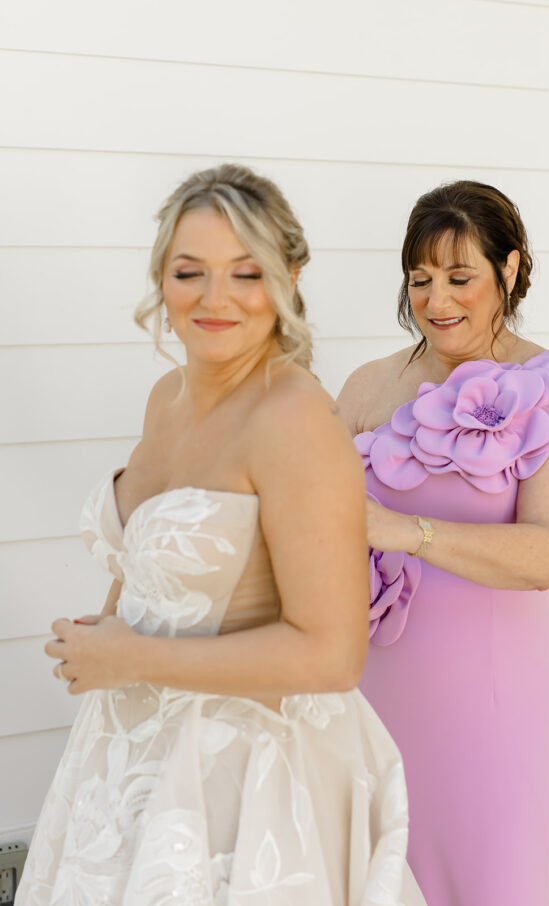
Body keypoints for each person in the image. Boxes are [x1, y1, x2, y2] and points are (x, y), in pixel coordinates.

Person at [17, 164, 426, 906]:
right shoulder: (166, 397)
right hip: (127, 760)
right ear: (160, 278)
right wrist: (107, 628)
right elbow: (145, 543)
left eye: (246, 273)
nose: (215, 299)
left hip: (241, 785)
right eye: (189, 272)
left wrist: (131, 655)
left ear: (290, 277)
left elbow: (332, 654)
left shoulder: (295, 422)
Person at [338, 180, 549, 906]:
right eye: (421, 279)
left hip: (497, 698)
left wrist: (404, 531)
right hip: (377, 691)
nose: (437, 301)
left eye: (460, 277)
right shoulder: (368, 386)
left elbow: (545, 555)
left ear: (508, 272)